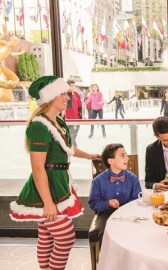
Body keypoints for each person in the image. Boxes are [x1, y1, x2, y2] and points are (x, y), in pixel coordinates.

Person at [9, 76, 101, 270]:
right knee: (66, 238)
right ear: (51, 97)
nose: (68, 97)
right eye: (63, 94)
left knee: (47, 236)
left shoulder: (57, 121)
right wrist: (48, 203)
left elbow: (69, 148)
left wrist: (91, 155)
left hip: (59, 182)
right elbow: (37, 168)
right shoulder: (39, 126)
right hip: (47, 187)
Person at [88, 143, 141, 241]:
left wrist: (125, 208)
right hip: (106, 214)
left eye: (126, 155)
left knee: (136, 232)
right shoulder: (98, 181)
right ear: (111, 161)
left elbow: (137, 199)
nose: (127, 158)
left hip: (128, 214)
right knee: (106, 233)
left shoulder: (132, 178)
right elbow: (93, 203)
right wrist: (107, 203)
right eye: (122, 156)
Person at [65, 80, 82, 147]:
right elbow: (67, 105)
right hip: (69, 117)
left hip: (77, 116)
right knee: (72, 132)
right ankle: (72, 146)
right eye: (71, 85)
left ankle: (73, 143)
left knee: (76, 132)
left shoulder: (76, 94)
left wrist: (80, 115)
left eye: (73, 85)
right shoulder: (65, 94)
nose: (73, 87)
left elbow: (79, 104)